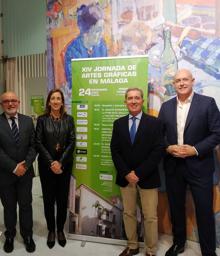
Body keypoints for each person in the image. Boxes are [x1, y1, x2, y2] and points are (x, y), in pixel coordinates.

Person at [158, 69, 220, 256]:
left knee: (203, 210)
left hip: (200, 165)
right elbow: (158, 135)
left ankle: (208, 250)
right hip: (174, 166)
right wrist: (168, 148)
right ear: (173, 84)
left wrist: (195, 149)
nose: (182, 83)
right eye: (178, 80)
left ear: (192, 81)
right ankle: (179, 243)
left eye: (185, 79)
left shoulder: (207, 103)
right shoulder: (166, 106)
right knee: (176, 208)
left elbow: (217, 133)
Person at [110, 88, 165, 256]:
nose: (133, 101)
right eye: (130, 98)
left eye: (137, 98)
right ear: (125, 101)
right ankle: (132, 246)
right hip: (126, 178)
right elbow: (115, 150)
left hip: (147, 177)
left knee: (150, 216)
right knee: (128, 213)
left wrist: (138, 173)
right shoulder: (118, 123)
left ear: (142, 101)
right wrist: (127, 173)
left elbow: (158, 151)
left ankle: (150, 250)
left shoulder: (155, 123)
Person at [35, 89, 76, 248]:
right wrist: (52, 162)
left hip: (64, 167)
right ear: (49, 101)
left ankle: (60, 230)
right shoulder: (42, 120)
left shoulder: (69, 119)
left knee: (61, 199)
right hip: (47, 167)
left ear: (62, 102)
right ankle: (51, 230)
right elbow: (38, 142)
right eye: (53, 98)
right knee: (48, 200)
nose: (56, 101)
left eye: (59, 98)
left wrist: (61, 163)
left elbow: (72, 142)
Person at [0, 91, 36, 253]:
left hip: (25, 173)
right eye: (6, 101)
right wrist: (14, 167)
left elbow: (34, 145)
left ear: (19, 102)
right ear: (2, 105)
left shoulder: (28, 121)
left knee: (25, 204)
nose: (10, 104)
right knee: (8, 206)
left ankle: (27, 235)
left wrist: (26, 165)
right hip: (5, 174)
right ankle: (10, 234)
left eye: (13, 100)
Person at [64, 2, 107, 89]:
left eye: (102, 29)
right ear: (86, 32)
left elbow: (106, 75)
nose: (101, 34)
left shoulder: (102, 45)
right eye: (98, 30)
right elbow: (74, 84)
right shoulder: (73, 51)